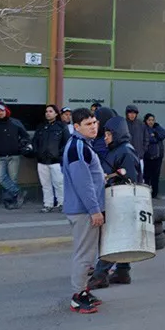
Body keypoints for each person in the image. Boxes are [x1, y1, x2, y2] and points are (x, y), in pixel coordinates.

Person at [90, 114, 143, 289]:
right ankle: (122, 271)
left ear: (117, 133)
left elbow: (129, 179)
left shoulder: (125, 151)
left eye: (108, 134)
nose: (105, 138)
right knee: (120, 237)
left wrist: (109, 180)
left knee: (112, 238)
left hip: (120, 201)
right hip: (117, 200)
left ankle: (100, 275)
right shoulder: (118, 150)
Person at [62, 108, 105, 314]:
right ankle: (77, 297)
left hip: (84, 209)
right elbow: (83, 183)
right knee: (84, 255)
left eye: (95, 122)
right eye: (88, 124)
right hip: (83, 211)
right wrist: (94, 210)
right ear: (76, 126)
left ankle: (84, 291)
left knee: (89, 253)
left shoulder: (82, 145)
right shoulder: (78, 147)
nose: (94, 127)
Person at [0, 102, 29, 209]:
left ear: (6, 111)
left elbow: (25, 136)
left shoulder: (16, 123)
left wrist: (21, 145)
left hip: (14, 155)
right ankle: (18, 192)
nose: (0, 113)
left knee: (12, 179)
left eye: (2, 110)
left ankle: (10, 201)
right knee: (0, 177)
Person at [33, 104, 69, 212]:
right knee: (45, 184)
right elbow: (35, 141)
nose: (48, 113)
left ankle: (62, 203)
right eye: (46, 111)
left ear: (56, 113)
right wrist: (37, 152)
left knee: (59, 183)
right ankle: (48, 204)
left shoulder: (61, 126)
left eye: (50, 111)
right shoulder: (41, 127)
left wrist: (59, 154)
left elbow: (66, 142)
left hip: (55, 160)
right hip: (42, 160)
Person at [141, 113, 165, 195]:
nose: (151, 122)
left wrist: (156, 132)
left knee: (156, 176)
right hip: (148, 156)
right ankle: (146, 193)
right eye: (149, 120)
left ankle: (155, 193)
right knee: (147, 176)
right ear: (146, 120)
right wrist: (156, 137)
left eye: (152, 120)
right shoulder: (143, 128)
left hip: (158, 156)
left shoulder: (156, 127)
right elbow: (149, 139)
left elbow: (164, 134)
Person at [124, 106, 148, 183]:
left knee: (140, 176)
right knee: (127, 176)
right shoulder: (123, 124)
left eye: (134, 113)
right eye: (130, 112)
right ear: (127, 114)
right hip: (126, 156)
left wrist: (143, 150)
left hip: (139, 156)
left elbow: (146, 138)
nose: (132, 115)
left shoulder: (141, 124)